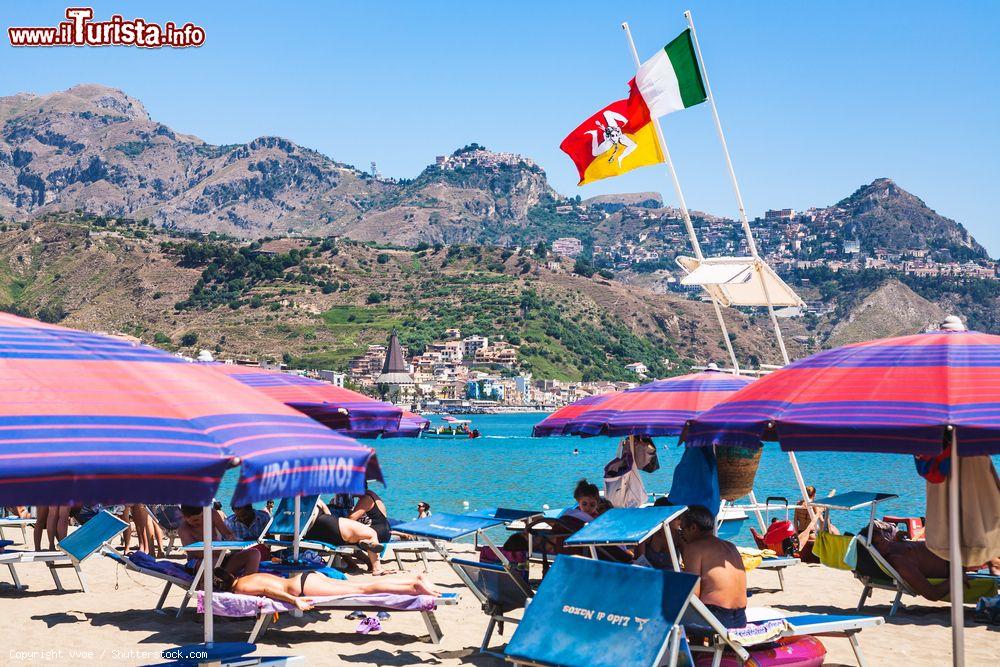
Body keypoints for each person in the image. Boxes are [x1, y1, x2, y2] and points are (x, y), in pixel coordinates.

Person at [210, 567, 441, 611]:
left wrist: (295, 602)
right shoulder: (246, 576)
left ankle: (414, 586)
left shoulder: (240, 588)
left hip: (301, 588)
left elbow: (271, 593)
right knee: (360, 585)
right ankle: (413, 580)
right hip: (306, 578)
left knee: (365, 590)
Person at [677, 505, 747, 629]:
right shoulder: (731, 546)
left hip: (716, 619)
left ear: (693, 527)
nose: (681, 534)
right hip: (741, 619)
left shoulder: (694, 548)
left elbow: (693, 596)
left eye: (682, 530)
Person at [305, 498, 386, 575]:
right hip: (326, 523)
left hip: (311, 534)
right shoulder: (312, 497)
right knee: (370, 533)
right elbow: (327, 512)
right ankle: (377, 569)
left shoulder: (295, 501)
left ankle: (359, 545)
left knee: (340, 541)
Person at [178, 505, 261, 576]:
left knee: (254, 553)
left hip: (220, 558)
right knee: (213, 562)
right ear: (184, 517)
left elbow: (227, 533)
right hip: (198, 562)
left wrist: (231, 539)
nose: (200, 521)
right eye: (195, 520)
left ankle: (246, 583)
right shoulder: (183, 529)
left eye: (202, 516)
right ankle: (221, 578)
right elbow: (195, 553)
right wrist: (221, 550)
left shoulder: (211, 514)